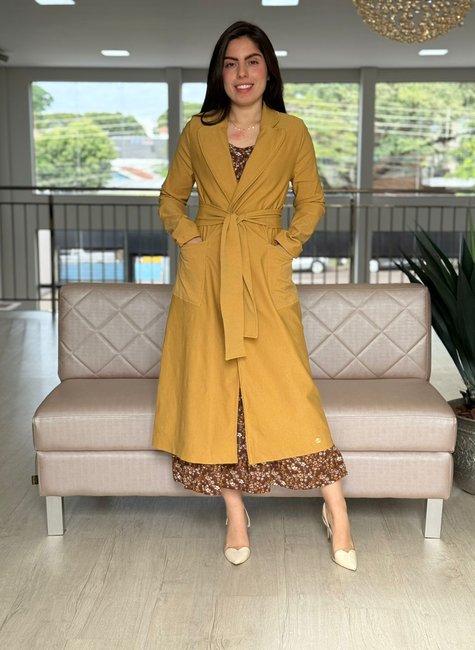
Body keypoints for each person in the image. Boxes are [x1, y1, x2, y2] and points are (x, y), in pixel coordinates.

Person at [152, 21, 356, 571]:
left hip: (264, 269)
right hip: (208, 271)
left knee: (289, 385)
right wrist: (191, 241)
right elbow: (171, 198)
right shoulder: (198, 131)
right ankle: (235, 512)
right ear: (220, 73)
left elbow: (312, 201)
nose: (241, 73)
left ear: (268, 69)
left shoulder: (292, 131)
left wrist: (284, 247)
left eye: (252, 61)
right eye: (231, 63)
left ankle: (336, 507)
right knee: (215, 391)